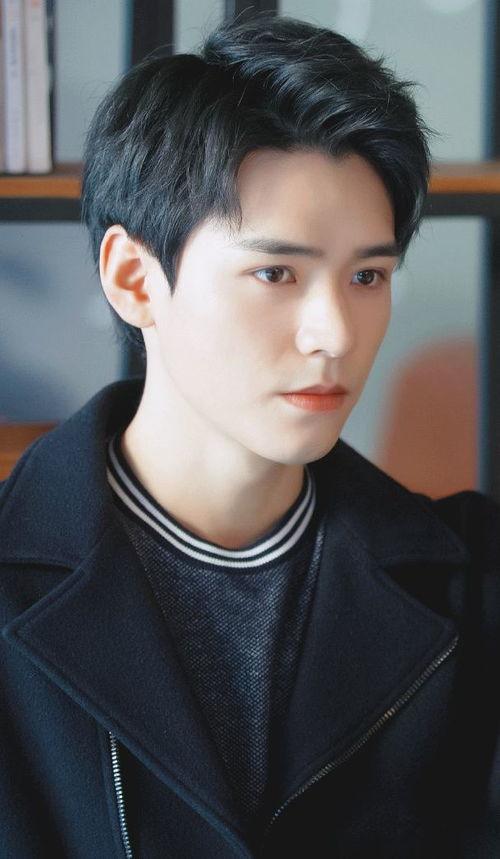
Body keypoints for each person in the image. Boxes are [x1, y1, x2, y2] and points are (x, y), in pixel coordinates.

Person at [1, 13, 499, 858]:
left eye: (367, 275)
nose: (334, 333)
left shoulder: (474, 583)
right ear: (134, 279)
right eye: (276, 272)